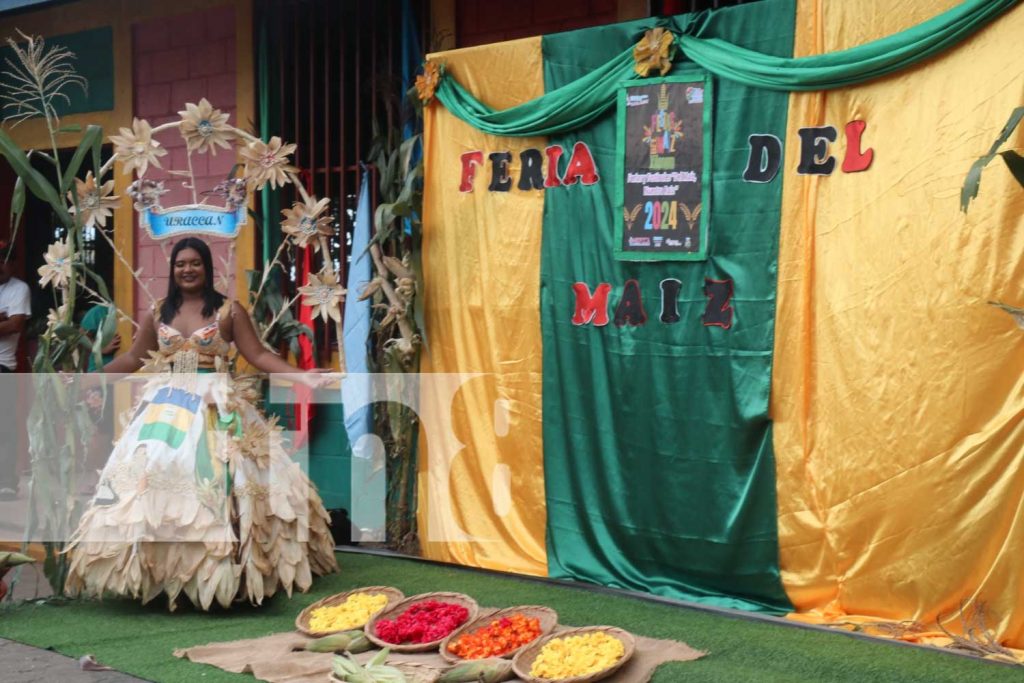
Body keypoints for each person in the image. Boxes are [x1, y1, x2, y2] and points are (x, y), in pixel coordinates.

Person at [64, 237, 339, 610]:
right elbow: (132, 358)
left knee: (228, 479)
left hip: (216, 403)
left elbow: (256, 354)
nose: (187, 269)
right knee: (155, 474)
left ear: (207, 268)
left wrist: (302, 377)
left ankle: (234, 571)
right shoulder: (159, 312)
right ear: (173, 269)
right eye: (180, 264)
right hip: (166, 405)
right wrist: (90, 378)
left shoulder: (229, 311)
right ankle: (161, 574)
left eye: (195, 263)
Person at [0, 240, 30, 501]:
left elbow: (16, 324)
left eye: (4, 260)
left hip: (3, 366)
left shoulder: (19, 289)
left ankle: (7, 481)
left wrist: (7, 321)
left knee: (4, 425)